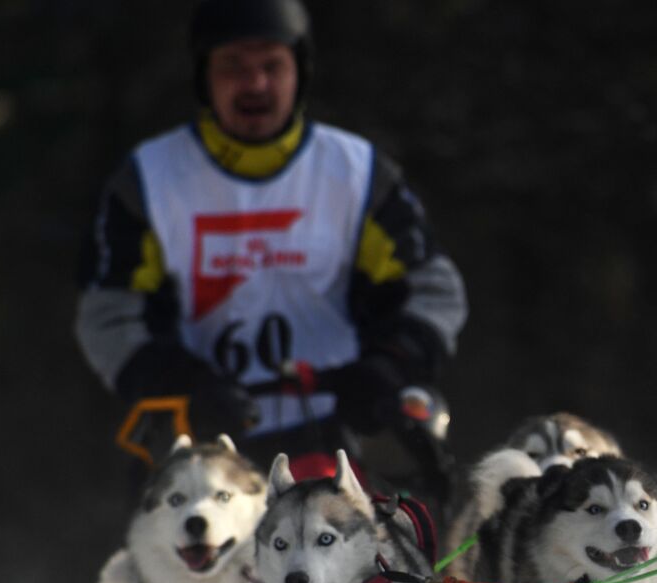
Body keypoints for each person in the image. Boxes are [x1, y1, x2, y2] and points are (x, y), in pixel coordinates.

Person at [75, 0, 467, 483]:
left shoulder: (356, 172)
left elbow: (431, 291)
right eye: (233, 67)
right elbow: (109, 316)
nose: (255, 84)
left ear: (299, 71)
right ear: (204, 76)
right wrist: (182, 383)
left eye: (271, 66)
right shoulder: (149, 180)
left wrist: (389, 365)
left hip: (337, 436)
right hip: (200, 442)